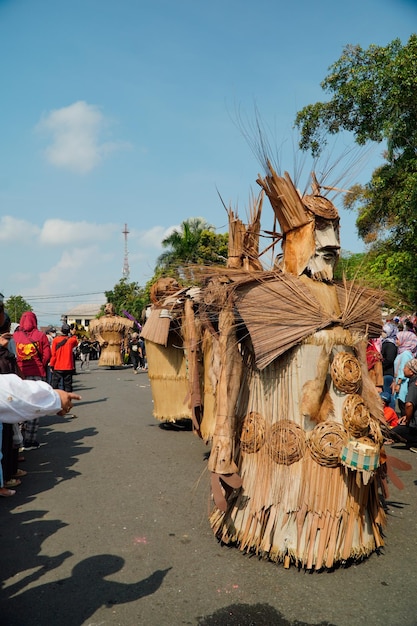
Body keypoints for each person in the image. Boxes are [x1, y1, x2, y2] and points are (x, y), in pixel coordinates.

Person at [13, 311, 51, 450]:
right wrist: (41, 364)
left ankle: (18, 439)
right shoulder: (41, 336)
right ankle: (30, 440)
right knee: (35, 407)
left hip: (19, 375)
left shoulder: (15, 336)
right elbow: (47, 355)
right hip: (36, 374)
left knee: (20, 405)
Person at [89, 303, 133, 368]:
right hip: (106, 346)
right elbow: (95, 332)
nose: (107, 308)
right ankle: (111, 362)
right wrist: (100, 340)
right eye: (106, 306)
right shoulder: (100, 321)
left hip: (115, 346)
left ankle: (113, 362)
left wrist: (125, 344)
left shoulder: (121, 321)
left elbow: (126, 334)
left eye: (109, 307)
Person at [391, 358, 417, 449]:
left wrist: (407, 420)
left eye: (405, 367)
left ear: (411, 371)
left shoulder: (414, 385)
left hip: (415, 425)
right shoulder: (413, 382)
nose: (403, 369)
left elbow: (409, 405)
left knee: (394, 432)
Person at [391, 331, 415, 416]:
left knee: (403, 407)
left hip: (403, 385)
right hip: (400, 383)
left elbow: (403, 370)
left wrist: (398, 383)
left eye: (397, 339)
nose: (396, 341)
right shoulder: (401, 352)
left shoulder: (405, 354)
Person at [50, 324, 79, 392]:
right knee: (68, 385)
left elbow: (53, 354)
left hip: (58, 365)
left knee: (55, 384)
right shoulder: (71, 340)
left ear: (61, 330)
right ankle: (68, 400)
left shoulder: (56, 340)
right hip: (68, 366)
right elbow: (76, 342)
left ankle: (56, 399)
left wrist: (52, 364)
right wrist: (73, 334)